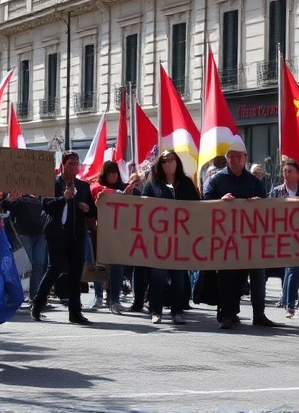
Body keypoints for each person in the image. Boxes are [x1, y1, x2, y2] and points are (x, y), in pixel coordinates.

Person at [203, 136, 279, 330]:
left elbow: (266, 204)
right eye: (232, 157)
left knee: (252, 276)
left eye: (239, 157)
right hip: (225, 238)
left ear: (245, 158)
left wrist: (258, 203)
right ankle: (227, 314)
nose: (235, 160)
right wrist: (220, 201)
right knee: (227, 276)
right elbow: (205, 203)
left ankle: (258, 314)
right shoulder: (216, 180)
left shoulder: (253, 181)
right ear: (227, 158)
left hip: (250, 239)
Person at [32, 151, 98, 325]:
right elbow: (45, 205)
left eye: (77, 163)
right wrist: (63, 198)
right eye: (71, 163)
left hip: (77, 234)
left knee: (76, 273)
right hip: (57, 233)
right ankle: (38, 304)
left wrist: (87, 209)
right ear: (63, 164)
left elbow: (93, 210)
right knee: (55, 268)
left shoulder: (83, 186)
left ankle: (75, 313)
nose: (74, 167)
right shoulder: (53, 183)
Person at [141, 150, 199, 325]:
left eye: (171, 160)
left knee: (178, 278)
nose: (168, 164)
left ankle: (177, 311)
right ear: (160, 165)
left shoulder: (187, 183)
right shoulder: (152, 185)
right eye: (164, 161)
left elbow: (198, 208)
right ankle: (156, 311)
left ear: (177, 163)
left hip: (181, 240)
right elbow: (141, 207)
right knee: (157, 277)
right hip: (159, 240)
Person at [270, 159, 299, 319]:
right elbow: (269, 212)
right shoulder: (276, 192)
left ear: (298, 174)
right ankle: (290, 305)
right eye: (284, 171)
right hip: (286, 237)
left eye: (290, 171)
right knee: (292, 269)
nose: (286, 174)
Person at [90, 161, 138, 314]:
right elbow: (96, 202)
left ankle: (114, 300)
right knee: (100, 265)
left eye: (115, 172)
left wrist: (131, 193)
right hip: (101, 232)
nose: (112, 176)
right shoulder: (96, 188)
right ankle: (98, 296)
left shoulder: (125, 188)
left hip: (120, 233)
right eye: (109, 173)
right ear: (104, 174)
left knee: (117, 266)